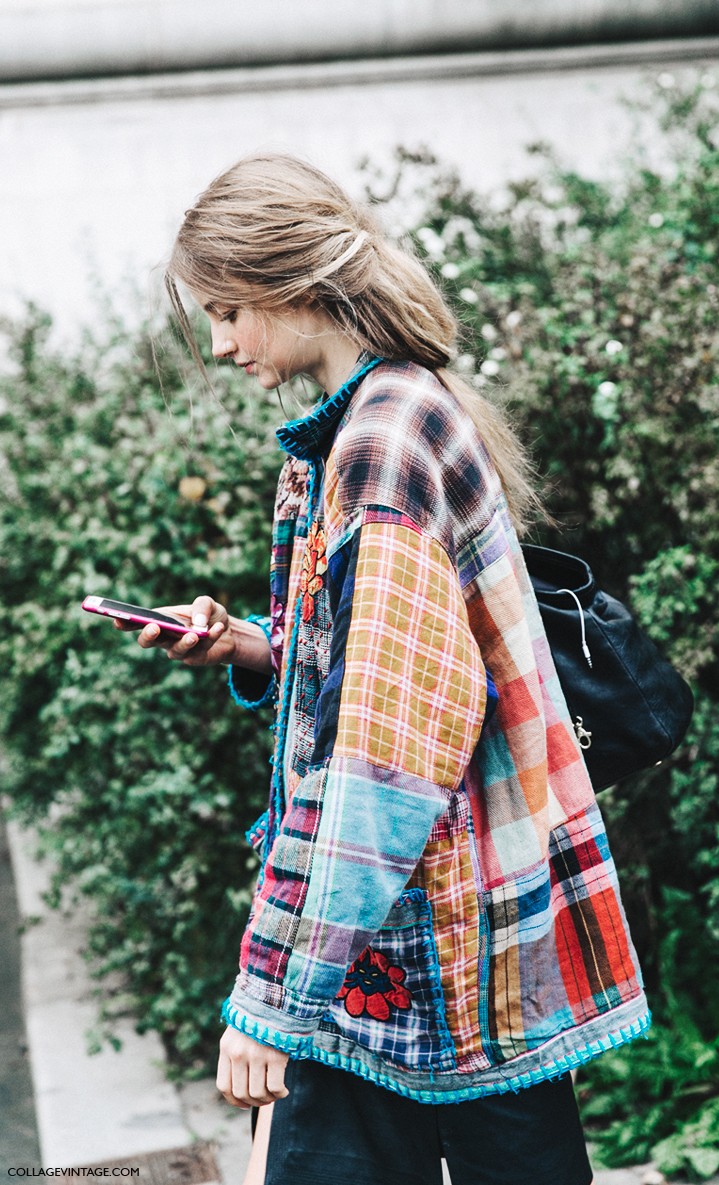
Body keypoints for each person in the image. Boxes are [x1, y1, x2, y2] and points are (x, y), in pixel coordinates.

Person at [125, 153, 650, 1185]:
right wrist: (247, 644)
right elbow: (389, 675)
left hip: (418, 944)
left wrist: (271, 1000)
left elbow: (381, 760)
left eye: (229, 310)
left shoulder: (379, 450)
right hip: (447, 933)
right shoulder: (390, 412)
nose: (223, 342)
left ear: (296, 287)